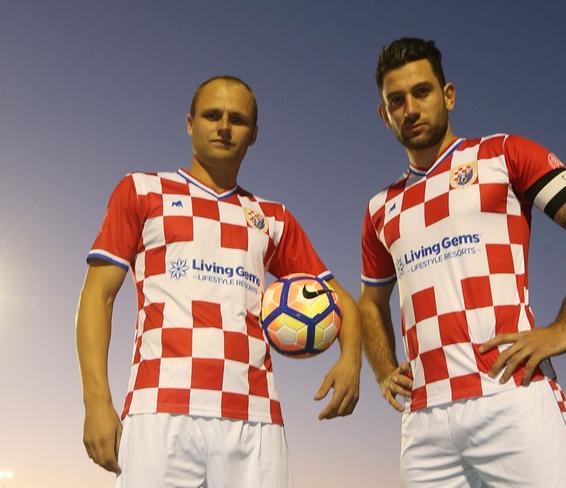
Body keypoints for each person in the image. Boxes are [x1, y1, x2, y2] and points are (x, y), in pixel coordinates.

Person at [358, 37, 566, 487]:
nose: (410, 108)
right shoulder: (379, 208)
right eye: (396, 100)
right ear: (384, 115)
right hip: (424, 422)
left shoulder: (503, 154)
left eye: (422, 92)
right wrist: (385, 369)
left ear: (449, 96)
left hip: (511, 394)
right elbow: (370, 302)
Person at [76, 75, 361, 488]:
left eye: (237, 119)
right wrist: (96, 400)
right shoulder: (142, 191)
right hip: (159, 410)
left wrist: (351, 359)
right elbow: (97, 297)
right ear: (190, 123)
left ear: (254, 135)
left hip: (254, 418)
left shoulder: (272, 217)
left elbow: (339, 299)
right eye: (212, 115)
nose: (224, 127)